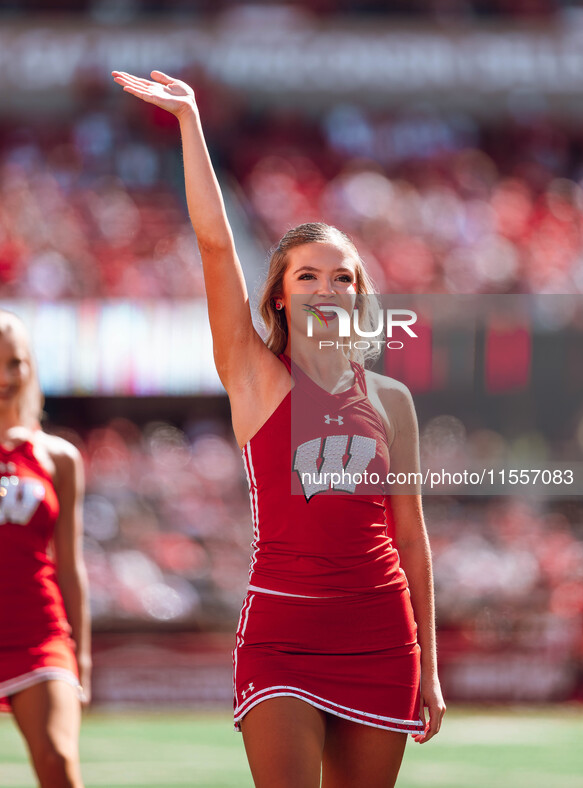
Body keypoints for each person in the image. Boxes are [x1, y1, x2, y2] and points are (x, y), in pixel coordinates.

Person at [112, 70, 445, 788]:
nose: (327, 289)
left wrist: (431, 669)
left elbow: (411, 541)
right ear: (278, 294)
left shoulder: (390, 401)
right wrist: (191, 122)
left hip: (382, 638)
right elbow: (210, 244)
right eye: (307, 277)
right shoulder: (256, 377)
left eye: (343, 278)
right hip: (282, 635)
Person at [0, 310, 90, 788]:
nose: (4, 376)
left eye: (14, 362)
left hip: (39, 633)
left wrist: (84, 656)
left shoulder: (58, 457)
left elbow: (70, 566)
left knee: (58, 763)